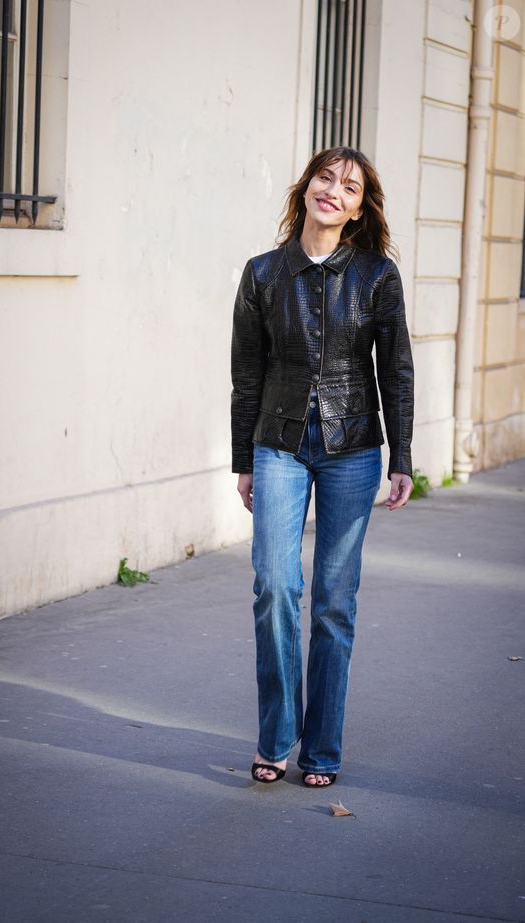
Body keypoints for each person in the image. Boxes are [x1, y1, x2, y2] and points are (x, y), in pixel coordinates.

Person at [230, 146, 414, 787]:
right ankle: (276, 738)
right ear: (306, 188)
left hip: (354, 449)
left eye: (350, 186)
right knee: (276, 587)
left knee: (335, 602)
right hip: (277, 443)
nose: (333, 190)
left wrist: (403, 457)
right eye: (325, 178)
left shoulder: (375, 276)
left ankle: (324, 751)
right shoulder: (261, 274)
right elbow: (245, 375)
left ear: (360, 209)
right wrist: (242, 462)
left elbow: (395, 370)